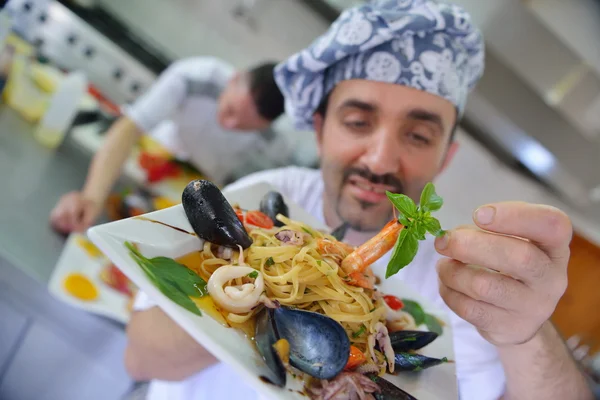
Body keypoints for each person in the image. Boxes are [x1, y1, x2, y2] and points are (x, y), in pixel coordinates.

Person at [123, 1, 594, 399]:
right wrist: (267, 286)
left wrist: (529, 334)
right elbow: (140, 356)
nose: (381, 157)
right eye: (357, 121)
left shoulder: (460, 281)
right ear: (319, 127)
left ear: (445, 157)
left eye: (417, 134)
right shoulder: (268, 193)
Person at [50, 57, 284, 234]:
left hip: (196, 197)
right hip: (146, 167)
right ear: (234, 79)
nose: (230, 125)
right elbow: (129, 128)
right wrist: (92, 198)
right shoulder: (195, 75)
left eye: (244, 126)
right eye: (231, 110)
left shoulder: (274, 140)